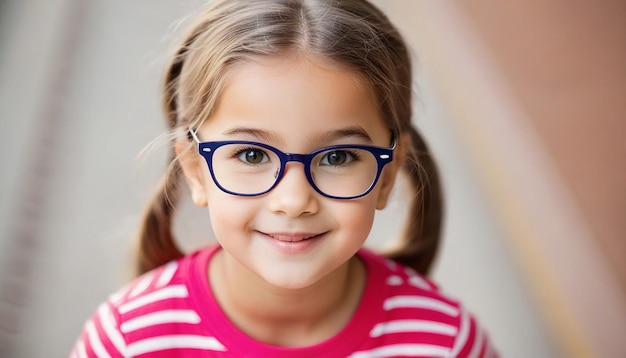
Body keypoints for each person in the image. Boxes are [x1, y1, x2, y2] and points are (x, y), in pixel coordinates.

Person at [71, 0, 498, 356]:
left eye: (338, 156)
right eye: (252, 154)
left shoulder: (446, 343)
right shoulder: (127, 340)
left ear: (387, 173)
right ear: (195, 169)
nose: (294, 200)